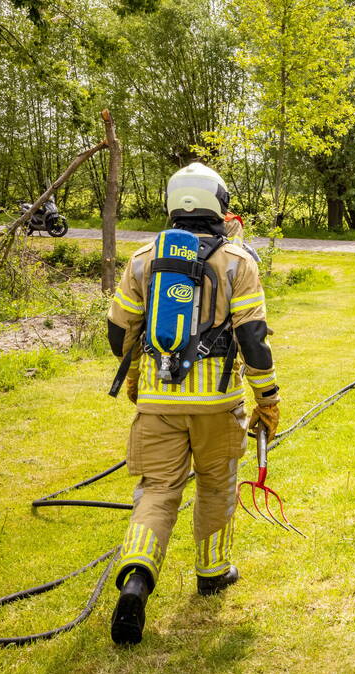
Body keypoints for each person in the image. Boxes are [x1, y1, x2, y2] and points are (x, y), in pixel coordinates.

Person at [106, 162, 281, 645]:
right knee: (216, 485)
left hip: (158, 403)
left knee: (157, 490)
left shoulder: (143, 259)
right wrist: (267, 398)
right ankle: (212, 571)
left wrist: (137, 373)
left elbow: (119, 332)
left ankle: (137, 578)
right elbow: (253, 339)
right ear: (218, 205)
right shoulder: (238, 262)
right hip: (218, 405)